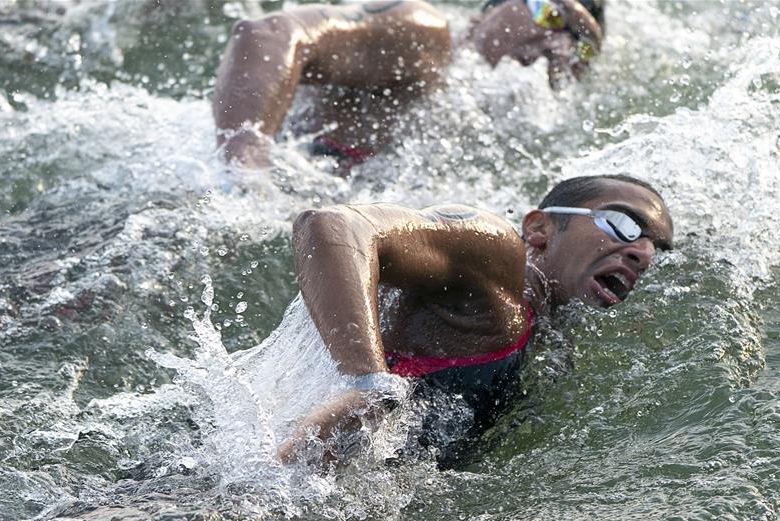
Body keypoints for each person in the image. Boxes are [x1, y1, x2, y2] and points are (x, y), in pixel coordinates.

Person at [277, 174, 673, 466]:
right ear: (539, 230)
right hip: (270, 490)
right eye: (624, 225)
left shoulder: (549, 329)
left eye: (657, 248)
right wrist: (364, 383)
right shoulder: (496, 261)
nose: (643, 252)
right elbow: (329, 225)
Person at [213, 0, 605, 168]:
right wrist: (245, 172)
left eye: (580, 45)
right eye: (551, 13)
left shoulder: (498, 142)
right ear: (485, 14)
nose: (558, 41)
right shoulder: (422, 36)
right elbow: (267, 35)